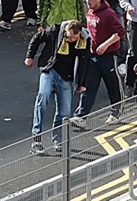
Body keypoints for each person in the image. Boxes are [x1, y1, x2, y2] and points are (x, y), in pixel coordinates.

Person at [25, 20, 90, 155]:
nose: (71, 40)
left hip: (66, 76)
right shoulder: (54, 31)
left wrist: (82, 83)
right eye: (70, 36)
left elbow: (84, 61)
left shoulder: (83, 39)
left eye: (74, 38)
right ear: (66, 30)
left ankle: (58, 140)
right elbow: (37, 38)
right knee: (43, 97)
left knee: (65, 112)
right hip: (50, 70)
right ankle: (36, 141)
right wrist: (29, 57)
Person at [71, 0, 125, 127]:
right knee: (89, 86)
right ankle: (81, 116)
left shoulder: (109, 14)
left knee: (112, 84)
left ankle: (116, 112)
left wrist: (105, 45)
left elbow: (119, 32)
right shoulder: (90, 12)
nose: (88, 2)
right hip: (93, 56)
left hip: (108, 56)